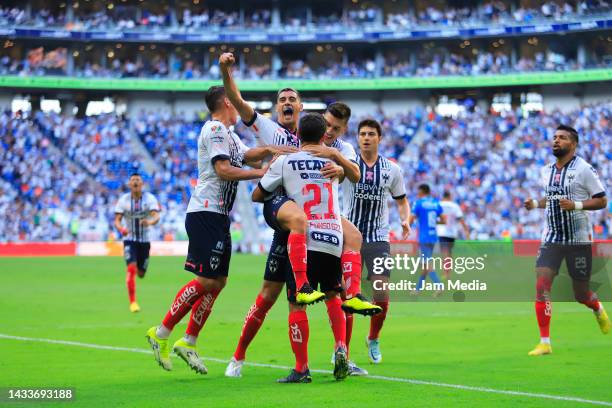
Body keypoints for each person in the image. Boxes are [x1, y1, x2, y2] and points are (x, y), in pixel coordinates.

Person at [219, 53, 380, 378]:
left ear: (302, 108)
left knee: (340, 273)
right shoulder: (273, 133)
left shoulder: (334, 145)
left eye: (293, 98)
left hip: (317, 225)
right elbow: (236, 99)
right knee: (269, 295)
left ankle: (337, 354)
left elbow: (352, 170)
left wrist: (338, 164)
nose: (287, 102)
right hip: (287, 217)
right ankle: (238, 356)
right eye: (283, 99)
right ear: (278, 108)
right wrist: (226, 71)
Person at [145, 85, 290, 374]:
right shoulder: (214, 129)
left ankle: (189, 341)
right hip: (205, 211)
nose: (239, 105)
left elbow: (249, 154)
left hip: (220, 214)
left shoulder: (230, 134)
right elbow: (224, 169)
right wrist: (262, 173)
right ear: (226, 102)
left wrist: (274, 149)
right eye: (235, 101)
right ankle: (160, 332)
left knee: (219, 281)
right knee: (208, 281)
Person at [252, 113, 348, 383]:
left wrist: (280, 188)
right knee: (333, 295)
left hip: (303, 242)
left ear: (298, 136)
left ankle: (301, 367)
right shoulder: (332, 162)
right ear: (322, 136)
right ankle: (341, 347)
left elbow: (257, 195)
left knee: (296, 305)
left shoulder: (285, 160)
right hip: (332, 237)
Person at [524, 124, 610, 356]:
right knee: (542, 285)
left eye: (561, 138)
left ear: (573, 144)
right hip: (551, 237)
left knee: (580, 294)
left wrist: (577, 205)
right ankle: (545, 342)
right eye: (554, 137)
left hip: (578, 239)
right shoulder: (546, 170)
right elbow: (551, 199)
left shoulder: (584, 169)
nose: (556, 141)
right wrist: (535, 204)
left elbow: (602, 200)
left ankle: (597, 307)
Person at [345, 118, 411, 365]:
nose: (366, 137)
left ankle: (373, 337)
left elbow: (402, 200)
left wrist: (405, 220)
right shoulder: (348, 165)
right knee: (347, 296)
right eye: (362, 133)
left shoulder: (392, 169)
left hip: (378, 238)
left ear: (379, 138)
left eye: (371, 134)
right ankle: (343, 349)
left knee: (382, 293)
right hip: (350, 237)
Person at [113, 173, 160, 313]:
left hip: (145, 241)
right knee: (131, 268)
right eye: (133, 180)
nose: (135, 182)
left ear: (142, 184)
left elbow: (156, 216)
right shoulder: (123, 200)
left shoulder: (150, 199)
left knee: (141, 273)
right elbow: (117, 220)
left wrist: (149, 222)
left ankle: (139, 271)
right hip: (129, 239)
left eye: (137, 180)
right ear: (129, 184)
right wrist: (121, 229)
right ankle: (133, 302)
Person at [409, 184, 446, 292]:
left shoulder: (419, 203)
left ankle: (439, 286)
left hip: (424, 237)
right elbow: (444, 220)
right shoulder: (436, 203)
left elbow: (411, 219)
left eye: (418, 193)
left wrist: (406, 229)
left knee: (427, 264)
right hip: (433, 237)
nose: (417, 195)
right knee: (425, 264)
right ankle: (417, 289)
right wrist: (434, 221)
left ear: (422, 192)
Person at [437, 190, 470, 280]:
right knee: (449, 253)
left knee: (445, 253)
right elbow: (461, 219)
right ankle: (448, 272)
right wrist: (466, 231)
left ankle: (446, 273)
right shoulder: (454, 206)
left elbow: (436, 218)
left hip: (442, 232)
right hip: (452, 233)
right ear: (449, 196)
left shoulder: (439, 205)